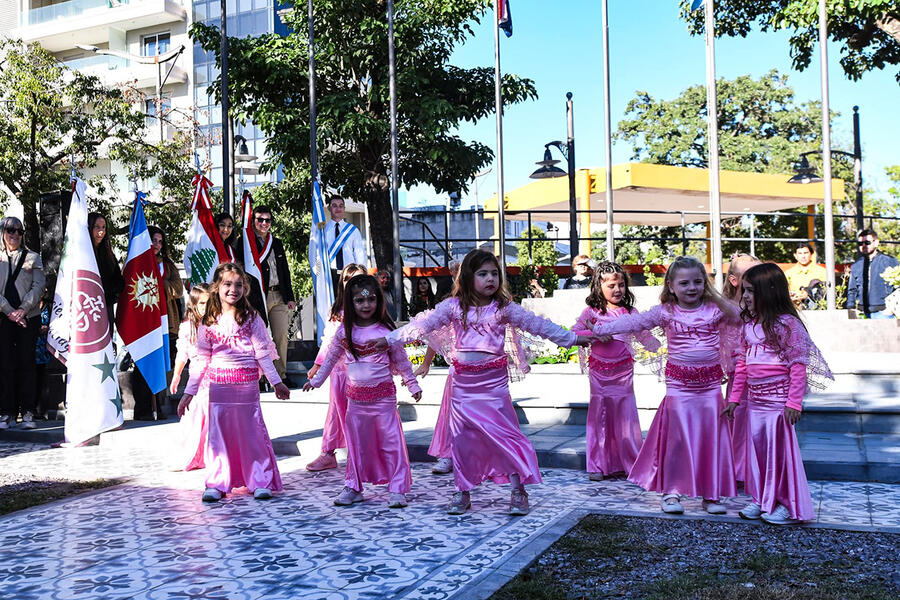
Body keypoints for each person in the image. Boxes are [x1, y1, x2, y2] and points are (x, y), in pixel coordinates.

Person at [368, 249, 591, 516]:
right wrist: (390, 338)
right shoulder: (453, 307)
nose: (490, 279)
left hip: (493, 388)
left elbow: (540, 326)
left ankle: (518, 490)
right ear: (468, 277)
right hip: (463, 388)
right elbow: (422, 326)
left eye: (495, 274)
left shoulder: (503, 309)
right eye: (483, 274)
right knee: (462, 441)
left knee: (506, 438)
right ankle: (462, 490)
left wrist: (574, 339)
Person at [592, 256, 739, 515]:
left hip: (709, 386)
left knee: (711, 436)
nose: (691, 288)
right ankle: (672, 491)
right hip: (679, 385)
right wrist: (603, 328)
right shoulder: (666, 311)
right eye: (684, 283)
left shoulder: (714, 310)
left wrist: (716, 297)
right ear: (671, 286)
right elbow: (634, 322)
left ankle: (712, 493)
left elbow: (739, 317)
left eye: (697, 282)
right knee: (677, 438)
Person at [724, 263, 833, 525]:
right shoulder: (748, 325)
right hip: (756, 404)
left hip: (777, 404)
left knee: (779, 455)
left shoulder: (786, 325)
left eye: (751, 291)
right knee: (758, 452)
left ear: (769, 292)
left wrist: (794, 401)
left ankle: (787, 503)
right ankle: (762, 498)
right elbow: (742, 365)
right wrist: (734, 399)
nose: (745, 296)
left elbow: (798, 365)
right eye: (745, 290)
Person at [304, 274, 422, 508]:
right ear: (350, 303)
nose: (366, 305)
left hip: (384, 400)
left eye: (371, 300)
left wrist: (412, 383)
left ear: (379, 301)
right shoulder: (343, 332)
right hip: (355, 402)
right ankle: (353, 486)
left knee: (391, 442)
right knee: (357, 445)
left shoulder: (387, 331)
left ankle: (397, 487)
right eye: (359, 301)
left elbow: (402, 360)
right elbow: (330, 360)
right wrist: (317, 380)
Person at [177, 263, 289, 502]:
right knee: (219, 436)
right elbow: (200, 360)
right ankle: (217, 482)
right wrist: (189, 393)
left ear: (245, 288)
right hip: (219, 389)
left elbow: (262, 354)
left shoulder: (252, 318)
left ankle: (259, 479)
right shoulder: (208, 322)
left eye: (239, 285)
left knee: (251, 434)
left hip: (246, 388)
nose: (233, 289)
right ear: (217, 287)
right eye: (227, 284)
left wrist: (277, 382)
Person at [572, 262, 660, 481]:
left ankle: (630, 463)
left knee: (625, 416)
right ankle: (598, 465)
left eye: (621, 284)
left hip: (623, 372)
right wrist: (594, 334)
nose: (618, 289)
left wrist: (662, 347)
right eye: (611, 285)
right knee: (600, 415)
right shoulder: (591, 313)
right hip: (599, 372)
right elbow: (575, 333)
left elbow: (644, 335)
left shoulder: (630, 312)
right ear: (598, 287)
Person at [305, 263, 367, 472]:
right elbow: (329, 340)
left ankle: (362, 454)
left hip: (361, 372)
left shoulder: (370, 309)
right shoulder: (337, 309)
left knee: (358, 413)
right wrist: (317, 364)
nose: (353, 284)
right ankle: (328, 452)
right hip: (338, 371)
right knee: (336, 412)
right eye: (348, 280)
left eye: (358, 279)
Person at [234, 205, 297, 386]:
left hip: (278, 295)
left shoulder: (275, 242)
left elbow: (284, 271)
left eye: (267, 220)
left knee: (281, 335)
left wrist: (290, 296)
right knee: (257, 338)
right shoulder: (244, 244)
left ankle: (280, 376)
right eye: (259, 219)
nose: (263, 223)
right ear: (253, 221)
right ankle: (259, 377)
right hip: (256, 298)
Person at [0, 216, 46, 430]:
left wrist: (22, 310)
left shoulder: (33, 257)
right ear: (3, 232)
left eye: (20, 231)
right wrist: (9, 311)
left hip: (28, 317)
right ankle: (7, 412)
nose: (16, 235)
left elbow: (39, 286)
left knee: (27, 364)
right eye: (11, 230)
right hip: (3, 317)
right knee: (5, 365)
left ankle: (28, 411)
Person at [722, 252, 761, 485]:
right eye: (749, 274)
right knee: (736, 420)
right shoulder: (724, 306)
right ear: (735, 280)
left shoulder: (764, 305)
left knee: (758, 422)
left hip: (762, 374)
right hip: (738, 372)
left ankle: (758, 469)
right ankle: (736, 471)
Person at [170, 283, 211, 471]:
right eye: (201, 303)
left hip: (216, 376)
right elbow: (182, 353)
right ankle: (194, 452)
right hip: (198, 378)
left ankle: (215, 452)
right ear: (193, 304)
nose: (205, 307)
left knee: (213, 414)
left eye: (209, 302)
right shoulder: (187, 327)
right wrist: (177, 375)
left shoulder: (217, 324)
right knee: (196, 415)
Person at [414, 346, 454, 475]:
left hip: (487, 372)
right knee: (451, 417)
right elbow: (435, 333)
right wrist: (426, 363)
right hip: (459, 371)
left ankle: (490, 459)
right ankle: (447, 456)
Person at [846, 229, 898, 319]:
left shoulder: (889, 262)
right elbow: (852, 290)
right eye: (860, 243)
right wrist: (851, 310)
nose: (863, 245)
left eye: (867, 242)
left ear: (876, 243)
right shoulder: (856, 265)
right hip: (862, 313)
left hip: (884, 313)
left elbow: (897, 286)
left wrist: (891, 309)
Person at [88, 212, 124, 328]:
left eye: (103, 227)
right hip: (86, 308)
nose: (101, 232)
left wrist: (107, 293)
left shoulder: (109, 254)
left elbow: (118, 280)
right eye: (97, 227)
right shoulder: (81, 253)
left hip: (105, 307)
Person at [784, 243, 827, 310]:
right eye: (800, 253)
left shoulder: (822, 271)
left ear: (811, 254)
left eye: (806, 253)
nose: (803, 256)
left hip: (816, 308)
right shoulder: (788, 273)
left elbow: (825, 291)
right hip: (794, 308)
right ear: (795, 255)